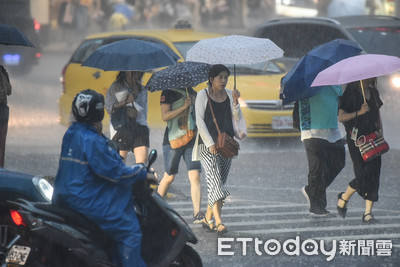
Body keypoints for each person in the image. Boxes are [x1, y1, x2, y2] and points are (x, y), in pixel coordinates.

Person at [52, 89, 157, 267]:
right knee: (129, 232)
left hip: (63, 197)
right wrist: (141, 171)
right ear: (99, 112)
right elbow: (116, 172)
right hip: (85, 201)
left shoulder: (72, 133)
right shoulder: (92, 140)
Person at [192, 64, 246, 235]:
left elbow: (237, 121)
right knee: (215, 181)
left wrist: (236, 104)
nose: (223, 81)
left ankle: (208, 219)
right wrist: (209, 143)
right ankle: (219, 222)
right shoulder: (202, 95)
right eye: (220, 77)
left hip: (226, 145)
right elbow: (199, 121)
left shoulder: (230, 94)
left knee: (219, 183)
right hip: (206, 145)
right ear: (211, 79)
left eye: (226, 77)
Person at [337, 78, 383, 224]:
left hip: (373, 137)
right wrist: (359, 112)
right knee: (363, 174)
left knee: (374, 173)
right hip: (357, 139)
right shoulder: (349, 94)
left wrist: (380, 130)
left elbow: (377, 114)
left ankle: (368, 213)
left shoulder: (374, 92)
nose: (372, 77)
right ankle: (344, 198)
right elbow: (341, 116)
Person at [156, 87, 204, 224]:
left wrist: (195, 104)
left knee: (195, 175)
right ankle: (157, 208)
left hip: (191, 138)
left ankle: (197, 213)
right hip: (173, 140)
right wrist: (183, 106)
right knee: (169, 177)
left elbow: (200, 116)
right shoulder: (168, 92)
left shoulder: (192, 92)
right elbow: (165, 116)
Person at [300, 85, 346, 217]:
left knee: (339, 161)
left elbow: (339, 100)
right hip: (312, 127)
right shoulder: (306, 79)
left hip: (331, 127)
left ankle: (312, 190)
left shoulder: (333, 79)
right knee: (317, 168)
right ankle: (317, 207)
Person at [105, 71, 149, 164]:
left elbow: (144, 112)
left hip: (139, 127)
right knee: (119, 163)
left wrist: (136, 112)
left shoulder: (142, 89)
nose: (136, 72)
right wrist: (125, 102)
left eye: (139, 70)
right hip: (121, 129)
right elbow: (109, 108)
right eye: (132, 70)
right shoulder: (116, 87)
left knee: (142, 164)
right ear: (125, 71)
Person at [0, 65, 11, 167]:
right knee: (2, 144)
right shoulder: (2, 70)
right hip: (3, 110)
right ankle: (1, 170)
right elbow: (9, 91)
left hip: (3, 111)